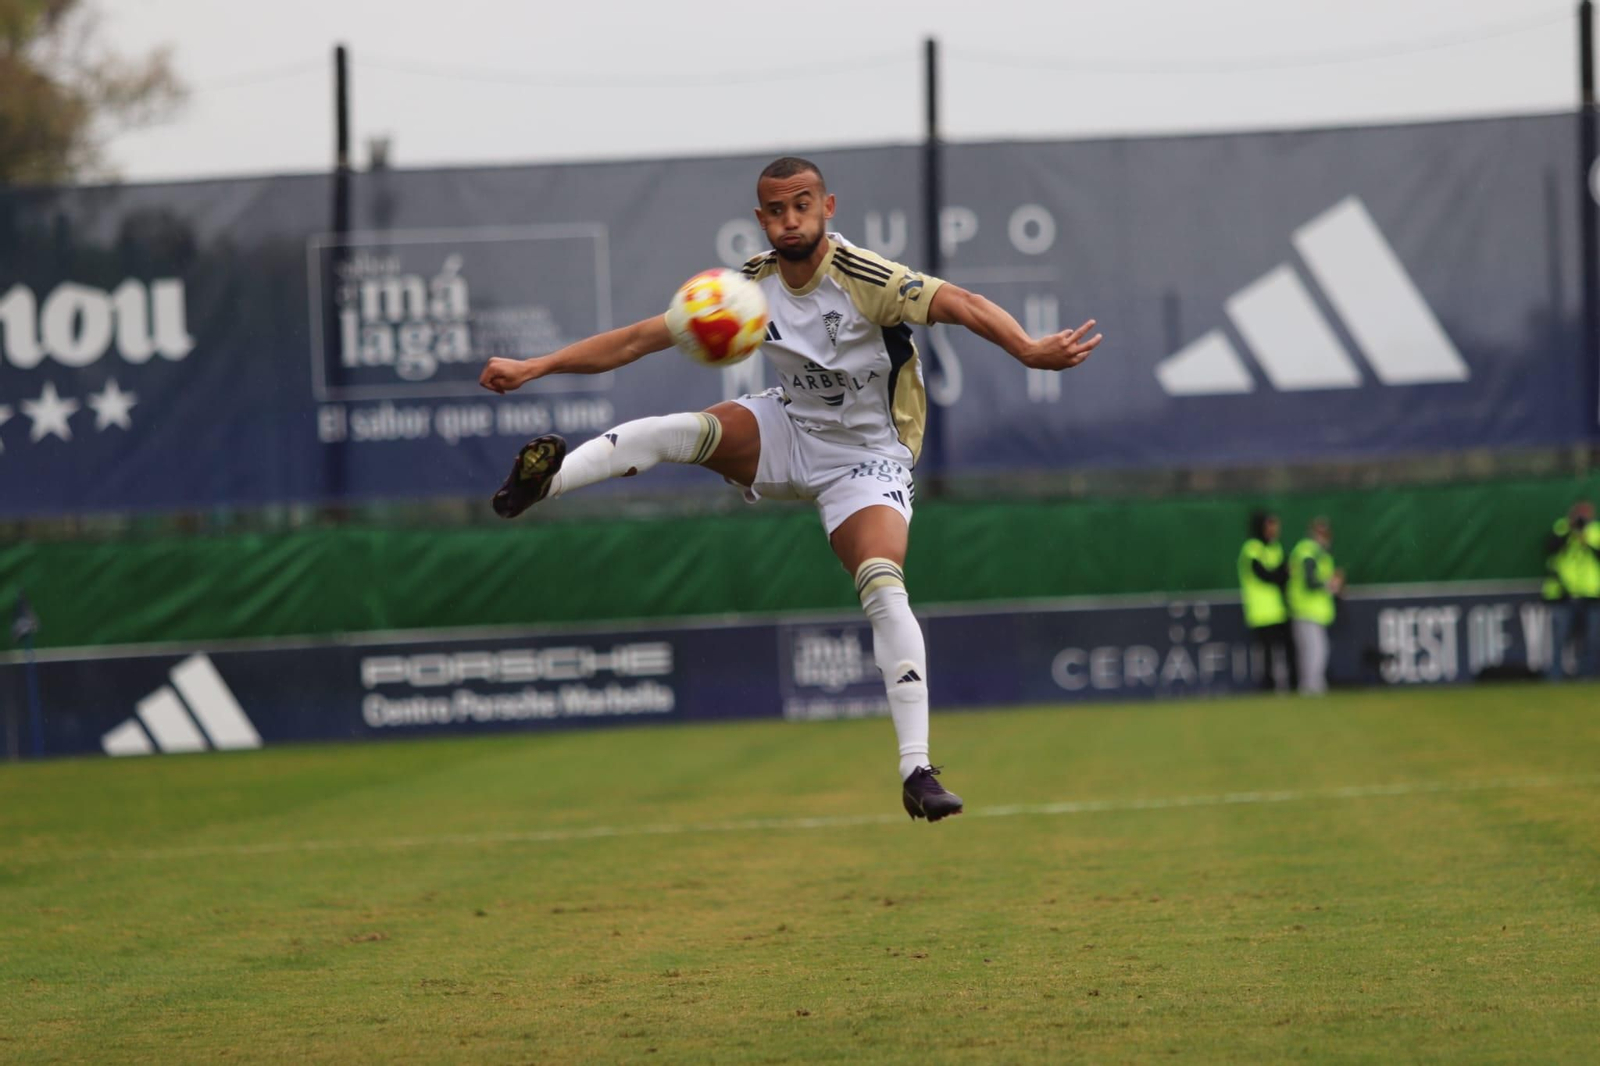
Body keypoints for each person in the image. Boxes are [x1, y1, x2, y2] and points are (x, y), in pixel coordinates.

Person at [477, 156, 1104, 822]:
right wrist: (535, 366)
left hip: (869, 459)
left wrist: (1027, 348)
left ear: (827, 207)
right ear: (761, 218)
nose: (790, 220)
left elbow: (963, 304)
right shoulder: (745, 287)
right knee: (668, 432)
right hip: (790, 428)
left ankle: (916, 770)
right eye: (776, 210)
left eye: (802, 205)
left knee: (883, 585)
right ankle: (538, 487)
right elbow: (636, 340)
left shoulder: (866, 278)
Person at [1238, 510, 1295, 693]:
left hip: (1279, 608)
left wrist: (1281, 573)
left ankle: (1292, 684)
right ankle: (1268, 686)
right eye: (1270, 524)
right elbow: (1266, 575)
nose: (1274, 529)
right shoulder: (1252, 548)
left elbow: (1282, 574)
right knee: (1268, 652)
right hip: (1261, 611)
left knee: (1288, 648)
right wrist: (1282, 573)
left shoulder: (1275, 547)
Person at [1286, 517, 1343, 695]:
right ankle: (1312, 686)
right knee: (1315, 650)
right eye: (1320, 533)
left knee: (1310, 651)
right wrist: (1329, 584)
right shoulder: (1308, 551)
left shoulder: (1318, 553)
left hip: (1310, 610)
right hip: (1306, 609)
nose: (1324, 537)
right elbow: (1309, 581)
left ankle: (1309, 686)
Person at [1544, 501, 1600, 680]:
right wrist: (1571, 529)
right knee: (1560, 638)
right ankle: (1554, 676)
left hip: (1592, 595)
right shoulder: (1562, 528)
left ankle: (1588, 675)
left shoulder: (1596, 531)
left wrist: (1586, 540)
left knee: (1592, 639)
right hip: (1563, 594)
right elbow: (1551, 547)